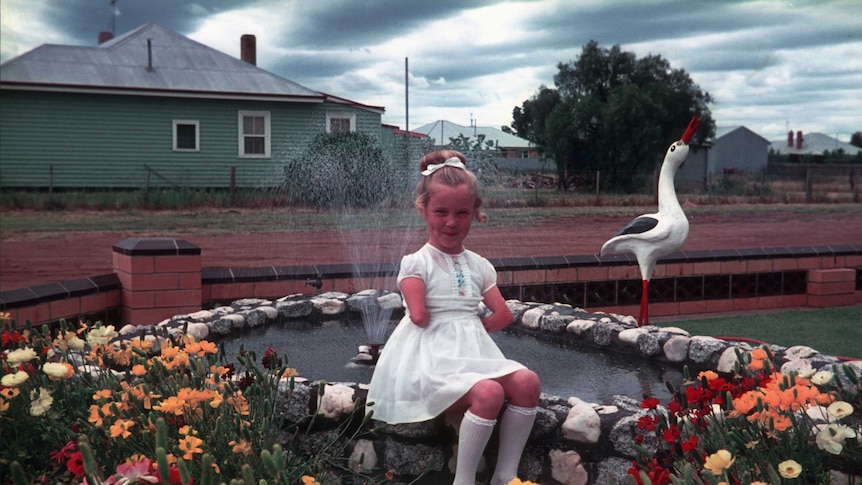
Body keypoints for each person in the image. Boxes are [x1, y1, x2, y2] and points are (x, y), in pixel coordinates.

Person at [367, 150, 542, 485]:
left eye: (462, 213)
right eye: (441, 212)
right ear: (423, 210)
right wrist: (455, 318)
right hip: (430, 360)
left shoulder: (478, 265)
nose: (451, 222)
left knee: (527, 382)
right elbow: (418, 317)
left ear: (475, 213)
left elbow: (503, 314)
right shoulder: (417, 263)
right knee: (489, 393)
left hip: (470, 356)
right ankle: (464, 480)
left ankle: (506, 475)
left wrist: (474, 329)